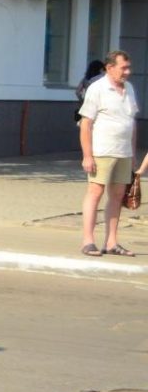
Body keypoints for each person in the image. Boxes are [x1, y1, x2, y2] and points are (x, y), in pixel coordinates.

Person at [79, 50, 137, 256]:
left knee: (118, 195)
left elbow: (131, 123)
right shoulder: (97, 88)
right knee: (95, 192)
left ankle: (111, 242)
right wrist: (88, 155)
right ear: (110, 68)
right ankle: (88, 241)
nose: (128, 72)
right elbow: (86, 124)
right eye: (124, 68)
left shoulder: (128, 88)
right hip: (102, 151)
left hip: (123, 152)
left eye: (129, 67)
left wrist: (133, 156)